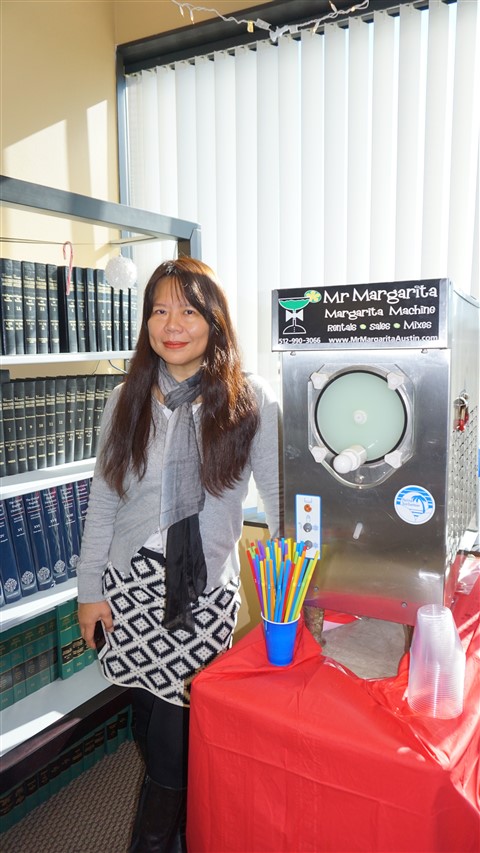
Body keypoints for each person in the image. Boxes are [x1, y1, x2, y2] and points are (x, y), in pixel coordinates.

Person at [77, 257, 281, 852]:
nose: (173, 323)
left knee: (179, 737)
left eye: (188, 309)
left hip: (203, 594)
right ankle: (186, 827)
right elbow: (104, 499)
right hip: (130, 588)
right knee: (150, 720)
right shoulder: (127, 398)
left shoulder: (251, 399)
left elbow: (282, 500)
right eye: (160, 310)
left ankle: (159, 840)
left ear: (213, 320)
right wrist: (90, 589)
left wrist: (302, 592)